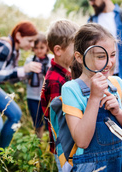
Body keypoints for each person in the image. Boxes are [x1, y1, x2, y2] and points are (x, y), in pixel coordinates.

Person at [61, 23, 122, 172]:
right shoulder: (71, 89)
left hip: (120, 164)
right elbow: (82, 141)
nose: (109, 63)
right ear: (79, 57)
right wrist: (94, 98)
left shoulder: (117, 83)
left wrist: (118, 112)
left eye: (113, 55)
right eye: (101, 56)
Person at [40, 19, 79, 171]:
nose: (78, 53)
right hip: (65, 146)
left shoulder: (64, 73)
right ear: (58, 50)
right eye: (75, 48)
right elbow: (61, 120)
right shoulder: (56, 81)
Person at [0, 21, 39, 148]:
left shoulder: (16, 52)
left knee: (15, 114)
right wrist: (23, 70)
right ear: (19, 36)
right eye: (30, 41)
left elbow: (9, 77)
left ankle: (1, 154)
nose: (32, 45)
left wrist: (27, 74)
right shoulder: (5, 46)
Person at [25, 33, 53, 139]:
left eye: (42, 47)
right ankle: (38, 143)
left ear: (47, 48)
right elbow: (24, 78)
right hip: (33, 96)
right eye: (36, 48)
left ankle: (51, 145)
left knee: (49, 123)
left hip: (47, 97)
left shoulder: (51, 60)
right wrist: (30, 75)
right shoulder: (30, 60)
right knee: (37, 123)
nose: (39, 50)